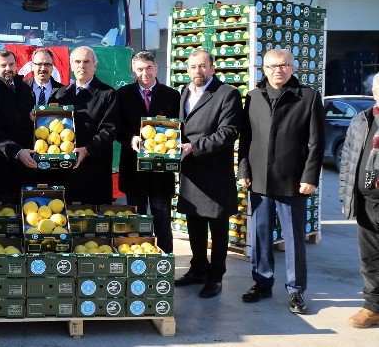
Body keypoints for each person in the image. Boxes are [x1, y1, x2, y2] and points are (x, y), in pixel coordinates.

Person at [238, 49, 325, 314]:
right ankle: (262, 283)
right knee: (261, 235)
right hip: (260, 181)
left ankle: (296, 290)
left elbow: (316, 142)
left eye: (284, 65)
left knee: (294, 239)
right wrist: (244, 171)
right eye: (273, 66)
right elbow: (246, 140)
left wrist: (310, 177)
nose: (279, 70)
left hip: (293, 182)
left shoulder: (307, 97)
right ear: (263, 69)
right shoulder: (253, 97)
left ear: (293, 68)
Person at [174, 49, 242, 298]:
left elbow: (228, 132)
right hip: (190, 171)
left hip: (214, 172)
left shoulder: (227, 94)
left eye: (202, 66)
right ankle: (198, 269)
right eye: (192, 67)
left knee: (218, 226)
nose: (197, 72)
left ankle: (216, 276)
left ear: (212, 68)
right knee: (194, 223)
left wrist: (194, 147)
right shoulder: (184, 91)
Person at [117, 51, 180, 253]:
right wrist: (131, 139)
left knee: (162, 222)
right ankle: (138, 265)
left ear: (157, 68)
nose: (145, 73)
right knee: (137, 222)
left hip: (161, 172)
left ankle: (164, 265)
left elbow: (180, 129)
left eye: (149, 68)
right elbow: (116, 128)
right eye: (140, 69)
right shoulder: (123, 94)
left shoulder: (172, 95)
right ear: (133, 71)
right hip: (133, 169)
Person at [53, 46, 118, 204]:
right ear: (71, 66)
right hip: (65, 172)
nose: (82, 65)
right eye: (77, 61)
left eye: (86, 62)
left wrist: (88, 149)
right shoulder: (60, 94)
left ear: (95, 66)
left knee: (93, 224)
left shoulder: (108, 94)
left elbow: (109, 130)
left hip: (94, 172)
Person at [340, 72, 379, 328]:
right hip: (366, 201)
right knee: (370, 258)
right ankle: (373, 306)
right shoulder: (362, 119)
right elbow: (347, 158)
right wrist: (347, 195)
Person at [0, 49, 36, 204]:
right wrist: (17, 152)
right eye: (3, 65)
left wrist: (34, 119)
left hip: (28, 167)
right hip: (3, 170)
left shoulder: (25, 89)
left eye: (11, 64)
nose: (8, 68)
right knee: (7, 222)